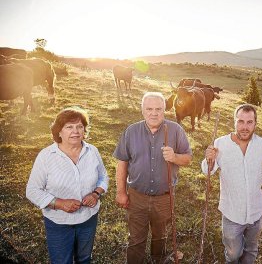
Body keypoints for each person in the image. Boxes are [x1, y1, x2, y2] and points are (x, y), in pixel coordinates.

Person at [113, 91, 192, 263]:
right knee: (135, 239)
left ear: (165, 109)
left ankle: (158, 260)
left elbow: (188, 158)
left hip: (164, 197)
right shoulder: (131, 131)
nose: (154, 113)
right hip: (137, 196)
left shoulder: (175, 130)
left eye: (158, 109)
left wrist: (175, 157)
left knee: (160, 236)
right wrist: (121, 192)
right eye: (149, 109)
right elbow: (122, 163)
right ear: (142, 110)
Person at [26, 107, 109, 264]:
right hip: (59, 222)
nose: (75, 131)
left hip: (88, 218)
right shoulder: (46, 156)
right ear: (59, 131)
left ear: (84, 130)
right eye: (69, 127)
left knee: (84, 259)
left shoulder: (92, 151)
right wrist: (59, 203)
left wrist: (96, 194)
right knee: (61, 261)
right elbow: (32, 190)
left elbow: (103, 176)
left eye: (79, 126)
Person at [202, 103, 262, 263]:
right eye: (240, 121)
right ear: (234, 122)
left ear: (255, 124)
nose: (244, 127)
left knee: (251, 250)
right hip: (232, 213)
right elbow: (208, 171)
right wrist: (209, 159)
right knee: (233, 254)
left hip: (256, 212)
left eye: (249, 122)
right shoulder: (220, 144)